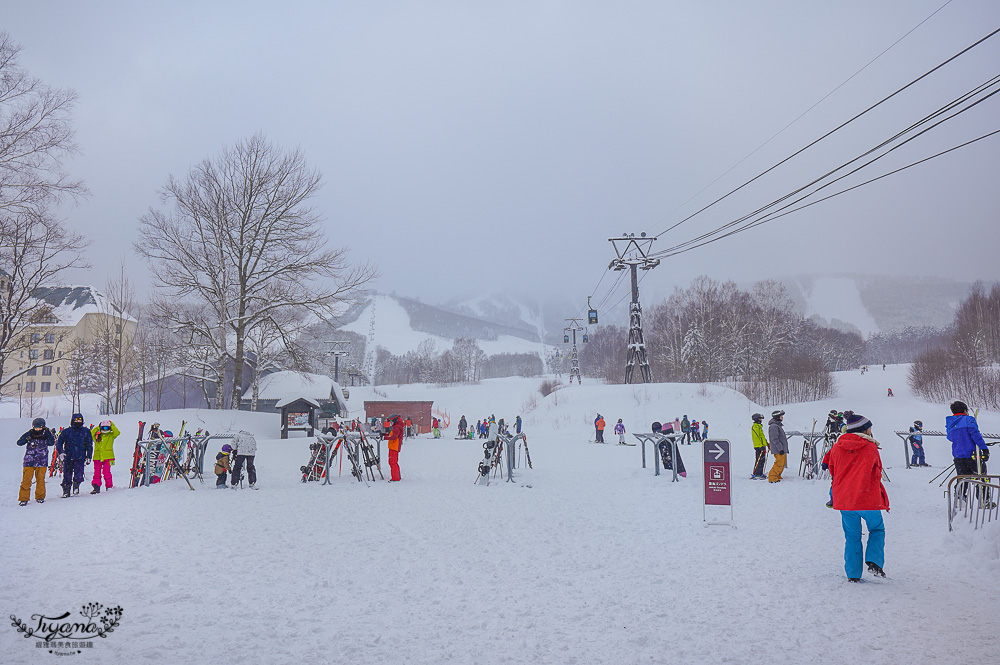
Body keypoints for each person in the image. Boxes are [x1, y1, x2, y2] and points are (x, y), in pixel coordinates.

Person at [825, 411, 889, 581]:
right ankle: (874, 561)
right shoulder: (870, 447)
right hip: (867, 498)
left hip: (844, 499)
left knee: (852, 537)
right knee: (876, 529)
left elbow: (832, 470)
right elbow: (877, 471)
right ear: (865, 429)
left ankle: (853, 574)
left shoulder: (837, 446)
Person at [946, 400, 989, 478]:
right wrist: (984, 449)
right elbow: (976, 436)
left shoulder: (950, 423)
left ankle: (960, 490)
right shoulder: (969, 419)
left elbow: (950, 437)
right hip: (972, 455)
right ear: (965, 410)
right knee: (981, 478)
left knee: (962, 480)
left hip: (958, 456)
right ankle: (982, 489)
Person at [17, 417, 54, 505]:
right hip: (29, 461)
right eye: (36, 427)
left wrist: (48, 434)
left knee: (40, 480)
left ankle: (40, 497)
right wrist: (27, 438)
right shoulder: (30, 433)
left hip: (42, 461)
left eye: (40, 427)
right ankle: (23, 498)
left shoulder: (46, 434)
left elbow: (51, 442)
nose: (38, 429)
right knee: (26, 481)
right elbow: (19, 442)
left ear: (44, 427)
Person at [55, 413, 93, 497]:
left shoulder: (86, 431)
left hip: (80, 457)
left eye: (80, 420)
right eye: (76, 420)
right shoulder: (66, 431)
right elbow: (59, 443)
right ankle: (66, 490)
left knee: (79, 474)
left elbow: (89, 445)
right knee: (67, 475)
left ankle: (76, 486)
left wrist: (89, 456)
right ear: (72, 421)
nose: (78, 422)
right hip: (68, 456)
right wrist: (60, 452)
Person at [89, 420, 119, 494]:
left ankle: (109, 486)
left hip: (108, 457)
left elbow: (117, 432)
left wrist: (112, 424)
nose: (105, 429)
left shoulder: (111, 435)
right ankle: (96, 487)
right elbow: (90, 434)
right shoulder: (97, 436)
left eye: (107, 427)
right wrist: (97, 428)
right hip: (97, 458)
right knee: (97, 473)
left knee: (106, 472)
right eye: (103, 427)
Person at [767, 410, 788, 483]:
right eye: (781, 416)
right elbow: (774, 439)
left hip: (781, 448)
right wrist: (780, 449)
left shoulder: (777, 425)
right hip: (778, 449)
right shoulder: (773, 426)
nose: (782, 418)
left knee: (782, 462)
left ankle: (777, 475)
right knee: (779, 463)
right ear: (777, 417)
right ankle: (772, 477)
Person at [386, 414, 404, 481]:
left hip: (394, 447)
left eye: (391, 421)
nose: (390, 422)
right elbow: (392, 435)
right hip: (393, 446)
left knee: (393, 462)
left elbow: (394, 437)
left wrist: (384, 437)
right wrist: (384, 435)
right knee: (393, 462)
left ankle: (395, 478)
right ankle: (397, 476)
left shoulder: (397, 427)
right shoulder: (397, 426)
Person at [750, 413, 768, 479]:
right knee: (759, 460)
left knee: (762, 460)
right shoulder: (755, 427)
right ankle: (757, 473)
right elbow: (756, 438)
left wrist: (766, 444)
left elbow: (762, 437)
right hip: (758, 447)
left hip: (762, 446)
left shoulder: (759, 427)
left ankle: (760, 473)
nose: (761, 420)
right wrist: (760, 446)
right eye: (759, 418)